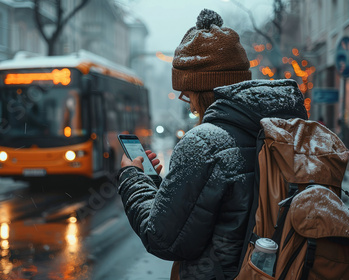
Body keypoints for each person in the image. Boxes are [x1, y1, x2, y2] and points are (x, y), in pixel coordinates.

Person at [116, 9, 308, 279]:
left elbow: (162, 238)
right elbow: (205, 215)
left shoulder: (204, 143)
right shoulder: (284, 129)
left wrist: (132, 178)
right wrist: (161, 189)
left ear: (204, 89)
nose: (189, 103)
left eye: (188, 93)